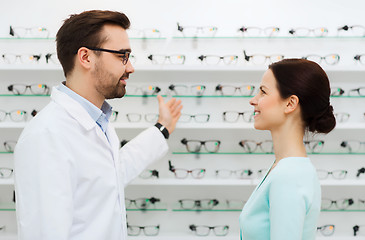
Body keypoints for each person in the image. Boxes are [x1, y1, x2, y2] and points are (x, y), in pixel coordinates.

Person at [14, 10, 182, 240]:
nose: (130, 67)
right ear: (86, 57)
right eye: (122, 56)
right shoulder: (47, 136)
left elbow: (111, 175)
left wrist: (161, 128)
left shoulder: (96, 121)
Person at [239, 59, 336, 239]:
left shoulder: (288, 175)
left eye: (263, 92)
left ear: (290, 103)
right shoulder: (285, 168)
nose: (253, 100)